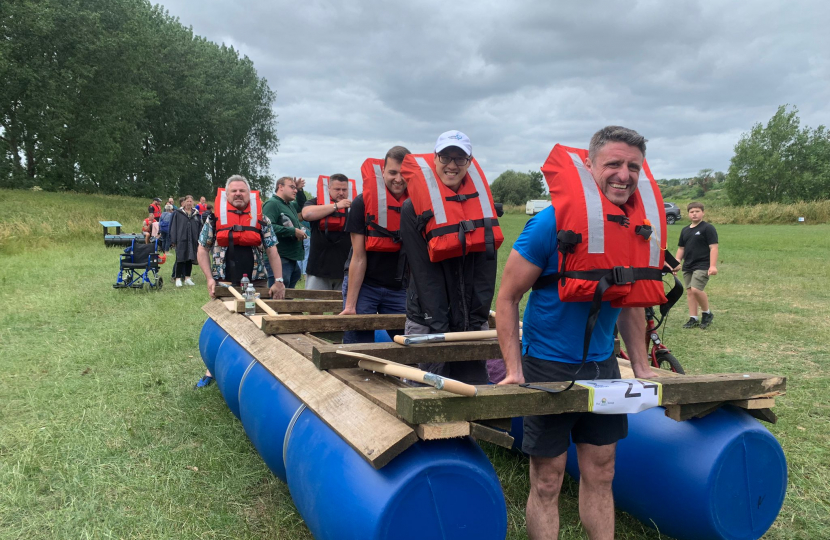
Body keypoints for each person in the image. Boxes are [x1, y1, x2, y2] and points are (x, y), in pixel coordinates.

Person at [496, 126, 665, 540]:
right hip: (546, 367)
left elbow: (630, 301)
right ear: (589, 166)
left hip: (603, 367)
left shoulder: (634, 227)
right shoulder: (549, 224)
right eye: (613, 164)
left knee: (602, 471)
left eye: (633, 166)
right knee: (548, 480)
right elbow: (506, 298)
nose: (624, 175)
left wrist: (642, 365)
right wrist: (515, 370)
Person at [399, 131, 503, 384]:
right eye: (445, 157)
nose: (452, 165)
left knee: (475, 385)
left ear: (469, 162)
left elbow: (487, 267)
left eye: (460, 158)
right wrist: (438, 324)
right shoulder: (412, 207)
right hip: (428, 317)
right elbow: (423, 272)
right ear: (434, 158)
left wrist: (476, 321)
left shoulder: (484, 207)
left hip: (471, 316)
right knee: (426, 391)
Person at [195, 175, 285, 388]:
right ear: (226, 194)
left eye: (242, 191)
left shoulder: (261, 219)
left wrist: (279, 280)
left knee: (254, 323)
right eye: (234, 191)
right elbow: (201, 249)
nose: (238, 194)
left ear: (249, 194)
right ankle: (212, 370)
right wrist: (209, 278)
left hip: (254, 284)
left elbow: (272, 250)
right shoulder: (214, 218)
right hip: (224, 284)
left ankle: (254, 371)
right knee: (221, 327)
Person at [340, 146, 411, 343]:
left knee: (408, 343)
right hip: (364, 286)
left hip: (398, 287)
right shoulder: (361, 203)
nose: (398, 178)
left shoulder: (416, 205)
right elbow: (358, 256)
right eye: (392, 172)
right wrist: (351, 305)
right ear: (382, 172)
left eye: (403, 173)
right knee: (358, 343)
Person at [301, 173, 353, 290]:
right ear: (329, 188)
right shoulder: (316, 202)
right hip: (318, 269)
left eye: (344, 189)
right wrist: (337, 206)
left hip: (345, 270)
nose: (341, 193)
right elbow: (306, 214)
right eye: (337, 189)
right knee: (313, 307)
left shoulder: (354, 206)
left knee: (344, 307)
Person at [675, 202, 719, 329]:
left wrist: (713, 266)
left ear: (703, 213)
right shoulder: (685, 230)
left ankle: (707, 313)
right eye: (691, 212)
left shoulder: (707, 228)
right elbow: (681, 248)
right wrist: (677, 261)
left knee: (696, 289)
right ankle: (693, 318)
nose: (694, 214)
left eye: (697, 211)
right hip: (688, 265)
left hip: (703, 264)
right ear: (688, 214)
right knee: (689, 292)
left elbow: (714, 248)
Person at [263, 176, 307, 288]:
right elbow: (267, 227)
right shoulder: (272, 204)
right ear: (280, 187)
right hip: (279, 257)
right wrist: (292, 231)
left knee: (287, 296)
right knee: (277, 296)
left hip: (290, 258)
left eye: (295, 188)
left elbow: (303, 205)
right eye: (292, 187)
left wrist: (300, 189)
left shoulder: (289, 205)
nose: (295, 190)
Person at [169, 195, 202, 287]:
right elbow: (173, 226)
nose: (189, 203)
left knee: (190, 258)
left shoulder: (196, 214)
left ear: (193, 203)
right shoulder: (178, 213)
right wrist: (173, 240)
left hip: (193, 239)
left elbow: (200, 227)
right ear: (184, 202)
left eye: (191, 201)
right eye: (187, 201)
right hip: (181, 239)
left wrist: (199, 239)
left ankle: (187, 278)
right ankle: (178, 278)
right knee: (180, 259)